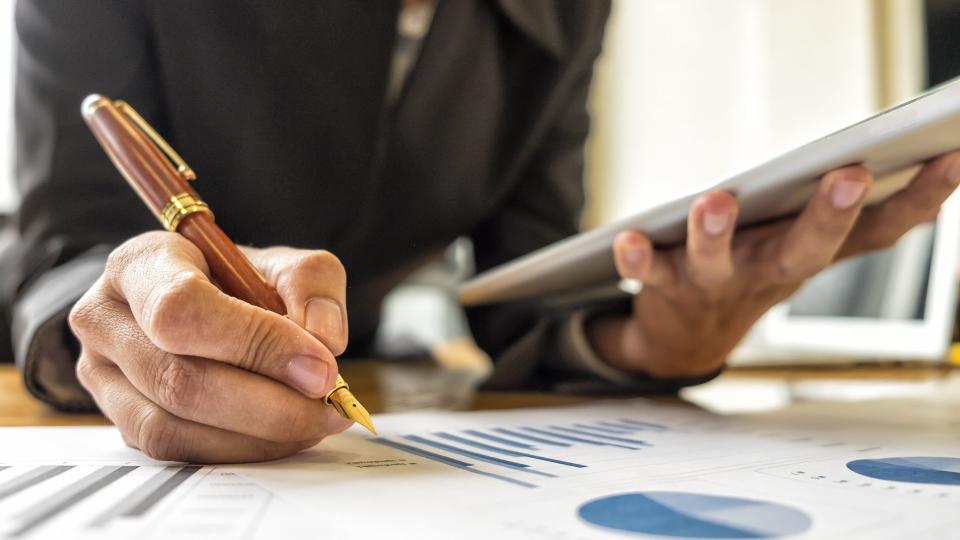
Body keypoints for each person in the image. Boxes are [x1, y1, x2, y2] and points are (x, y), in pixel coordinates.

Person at [2, 0, 957, 463]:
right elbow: (57, 243)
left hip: (334, 365)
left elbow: (525, 280)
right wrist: (114, 314)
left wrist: (661, 337)